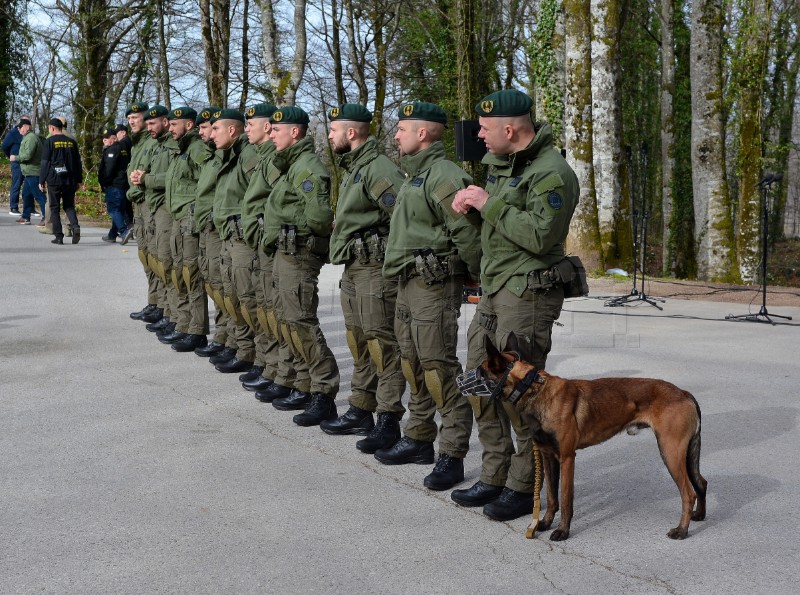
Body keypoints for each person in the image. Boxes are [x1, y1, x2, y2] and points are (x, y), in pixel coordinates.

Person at [450, 89, 579, 521]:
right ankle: (494, 472)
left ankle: (525, 485)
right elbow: (502, 227)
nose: (479, 136)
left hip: (526, 297)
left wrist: (490, 203)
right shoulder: (504, 167)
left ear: (510, 129)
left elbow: (541, 238)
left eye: (485, 129)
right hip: (493, 290)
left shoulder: (552, 173)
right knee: (478, 383)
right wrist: (473, 207)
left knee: (520, 395)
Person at [374, 101, 481, 491]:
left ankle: (451, 454)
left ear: (423, 133)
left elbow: (468, 234)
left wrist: (471, 274)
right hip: (407, 283)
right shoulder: (414, 176)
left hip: (433, 286)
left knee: (438, 368)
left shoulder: (443, 175)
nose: (396, 135)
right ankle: (418, 437)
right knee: (411, 363)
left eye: (402, 129)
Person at [320, 103, 407, 454]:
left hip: (374, 270)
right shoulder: (355, 166)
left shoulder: (377, 168)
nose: (328, 135)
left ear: (350, 132)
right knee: (358, 341)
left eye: (332, 129)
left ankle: (388, 419)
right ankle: (361, 407)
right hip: (355, 269)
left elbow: (403, 215)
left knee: (382, 345)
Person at [262, 105, 340, 426]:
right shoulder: (290, 165)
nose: (272, 134)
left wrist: (294, 229)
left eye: (277, 130)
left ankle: (324, 391)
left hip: (300, 254)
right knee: (288, 320)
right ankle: (305, 384)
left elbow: (320, 217)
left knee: (300, 321)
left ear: (295, 132)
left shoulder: (306, 166)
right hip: (285, 253)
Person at [208, 108, 260, 373]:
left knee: (248, 299)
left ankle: (254, 355)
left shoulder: (248, 155)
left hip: (242, 239)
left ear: (231, 130)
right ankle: (242, 349)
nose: (210, 133)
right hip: (228, 236)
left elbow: (262, 195)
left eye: (215, 128)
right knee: (233, 297)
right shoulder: (231, 155)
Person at [162, 106, 210, 352]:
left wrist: (195, 212)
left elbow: (208, 183)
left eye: (173, 124)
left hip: (189, 220)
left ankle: (197, 330)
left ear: (188, 125)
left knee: (192, 274)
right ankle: (184, 324)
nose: (169, 128)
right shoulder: (182, 150)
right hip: (178, 219)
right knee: (179, 272)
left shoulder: (197, 149)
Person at [192, 106, 234, 359]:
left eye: (207, 128)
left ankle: (231, 340)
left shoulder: (228, 157)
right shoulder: (213, 157)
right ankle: (223, 336)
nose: (203, 133)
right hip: (209, 226)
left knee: (225, 287)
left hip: (222, 230)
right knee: (215, 285)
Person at [131, 105, 176, 340]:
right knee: (152, 260)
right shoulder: (148, 143)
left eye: (150, 122)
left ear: (165, 122)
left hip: (161, 207)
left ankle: (169, 312)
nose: (146, 126)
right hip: (146, 203)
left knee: (167, 263)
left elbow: (174, 177)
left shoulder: (169, 145)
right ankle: (158, 305)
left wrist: (146, 178)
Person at [126, 102, 165, 323]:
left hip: (150, 203)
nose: (132, 121)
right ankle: (154, 302)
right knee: (146, 256)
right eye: (130, 117)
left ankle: (159, 305)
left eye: (136, 117)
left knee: (156, 257)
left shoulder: (151, 142)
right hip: (139, 204)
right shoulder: (137, 143)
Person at [39, 117, 82, 245]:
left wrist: (41, 180)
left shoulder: (49, 141)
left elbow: (45, 162)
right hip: (70, 180)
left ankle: (59, 236)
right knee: (69, 205)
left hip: (54, 179)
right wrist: (78, 180)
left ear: (52, 128)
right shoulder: (71, 142)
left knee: (54, 207)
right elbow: (77, 162)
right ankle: (75, 226)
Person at [98, 126, 130, 242]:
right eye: (103, 139)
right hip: (122, 184)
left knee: (113, 209)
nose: (104, 141)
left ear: (113, 138)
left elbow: (109, 169)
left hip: (114, 185)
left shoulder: (112, 149)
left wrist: (105, 182)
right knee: (119, 210)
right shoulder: (122, 148)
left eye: (107, 139)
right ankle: (112, 235)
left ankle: (123, 231)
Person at [17, 119, 48, 225]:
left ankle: (47, 218)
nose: (19, 130)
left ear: (26, 126)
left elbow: (28, 155)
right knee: (26, 194)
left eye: (20, 127)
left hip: (34, 172)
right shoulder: (27, 137)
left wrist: (16, 158)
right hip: (29, 172)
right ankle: (26, 216)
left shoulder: (31, 138)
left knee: (38, 195)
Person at [2, 118, 29, 215]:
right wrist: (10, 156)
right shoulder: (13, 133)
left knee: (29, 185)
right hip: (17, 163)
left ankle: (30, 208)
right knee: (16, 184)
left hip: (27, 163)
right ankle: (13, 207)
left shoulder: (29, 133)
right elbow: (4, 146)